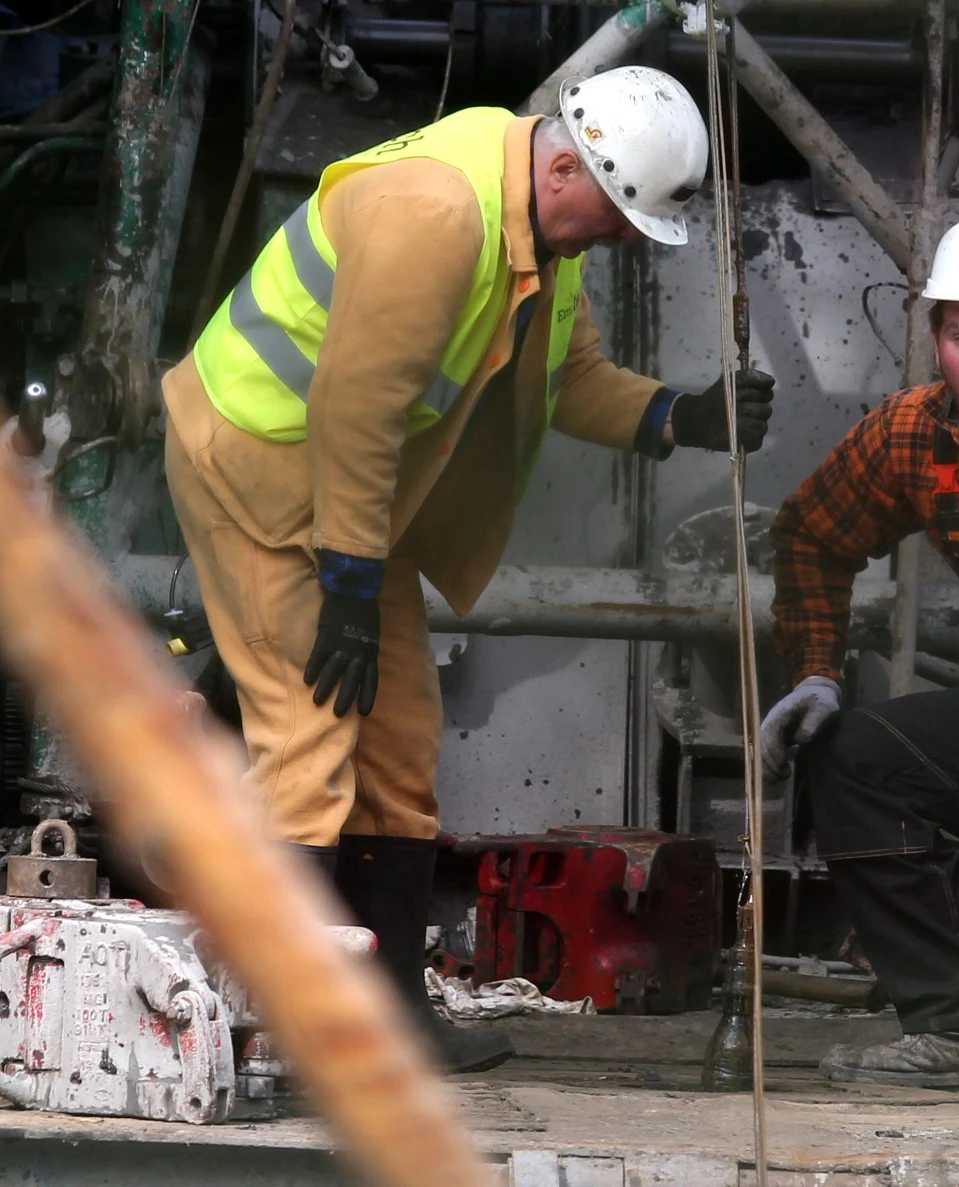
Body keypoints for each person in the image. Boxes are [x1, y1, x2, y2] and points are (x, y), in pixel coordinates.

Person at [163, 65, 775, 1074]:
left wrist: (680, 417)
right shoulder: (437, 214)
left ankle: (390, 1014)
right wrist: (351, 589)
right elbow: (353, 410)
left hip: (345, 496)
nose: (621, 239)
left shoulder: (539, 216)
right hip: (256, 459)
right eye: (621, 218)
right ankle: (282, 1034)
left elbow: (565, 379)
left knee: (397, 742)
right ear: (569, 164)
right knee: (310, 741)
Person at [760, 202, 959, 1087]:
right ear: (933, 339)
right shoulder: (912, 435)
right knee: (855, 757)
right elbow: (812, 534)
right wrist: (816, 673)